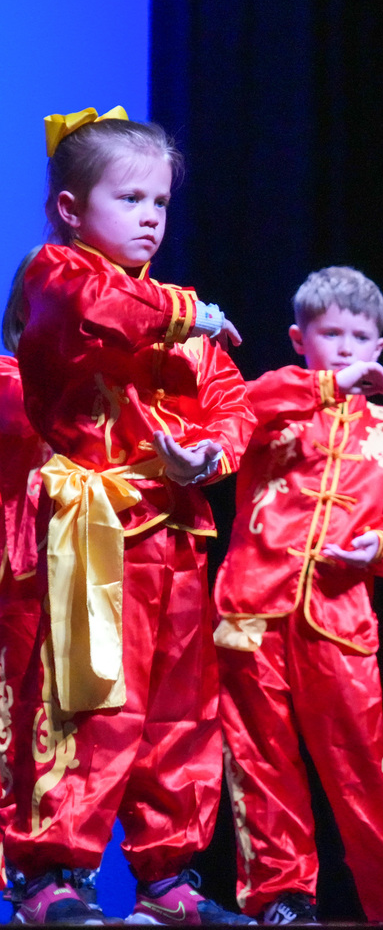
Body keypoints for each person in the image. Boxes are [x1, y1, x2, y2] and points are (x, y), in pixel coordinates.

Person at [5, 107, 256, 925]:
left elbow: (230, 402)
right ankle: (53, 874)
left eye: (160, 202)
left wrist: (212, 454)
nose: (151, 217)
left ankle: (170, 872)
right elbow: (102, 311)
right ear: (72, 210)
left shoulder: (178, 315)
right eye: (131, 199)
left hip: (174, 532)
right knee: (86, 697)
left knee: (182, 711)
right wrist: (194, 313)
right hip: (90, 533)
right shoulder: (57, 276)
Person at [215, 266, 383, 926]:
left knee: (359, 764)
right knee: (261, 758)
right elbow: (243, 406)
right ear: (302, 339)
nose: (347, 347)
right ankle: (281, 895)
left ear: (380, 347)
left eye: (360, 336)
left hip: (340, 617)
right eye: (332, 334)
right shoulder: (276, 409)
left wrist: (378, 546)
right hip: (253, 610)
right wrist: (324, 388)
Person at [0, 250, 51, 906]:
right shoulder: (10, 382)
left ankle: (46, 873)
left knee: (48, 736)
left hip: (64, 581)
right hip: (12, 573)